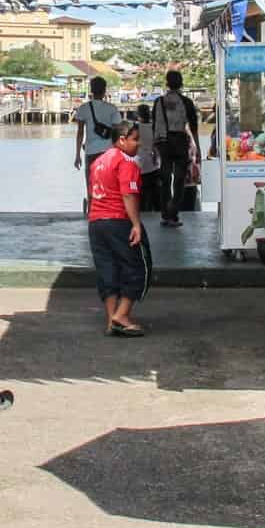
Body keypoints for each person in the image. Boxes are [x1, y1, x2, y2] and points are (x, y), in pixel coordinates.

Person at [87, 121, 149, 336]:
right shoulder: (126, 162)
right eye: (135, 139)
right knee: (137, 268)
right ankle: (121, 315)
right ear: (122, 140)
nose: (139, 143)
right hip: (118, 220)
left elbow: (92, 193)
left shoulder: (98, 162)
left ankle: (111, 321)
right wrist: (136, 224)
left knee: (107, 271)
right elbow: (128, 194)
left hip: (96, 222)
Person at [151, 70, 200, 228]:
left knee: (165, 179)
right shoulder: (186, 102)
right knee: (179, 180)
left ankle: (165, 214)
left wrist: (154, 147)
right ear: (181, 83)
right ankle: (173, 213)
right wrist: (197, 148)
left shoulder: (158, 102)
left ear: (166, 83)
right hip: (179, 141)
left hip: (163, 143)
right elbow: (194, 127)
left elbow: (155, 126)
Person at [72, 77, 122, 216]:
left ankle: (93, 211)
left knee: (91, 182)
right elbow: (118, 133)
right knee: (110, 183)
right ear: (105, 90)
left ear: (91, 90)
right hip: (109, 154)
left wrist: (77, 155)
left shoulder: (83, 109)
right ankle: (110, 211)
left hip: (91, 152)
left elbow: (80, 133)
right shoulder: (112, 109)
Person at [133, 103, 161, 205]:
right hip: (153, 162)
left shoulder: (135, 127)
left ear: (138, 114)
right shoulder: (154, 127)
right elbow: (157, 145)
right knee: (154, 191)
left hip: (139, 163)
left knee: (141, 192)